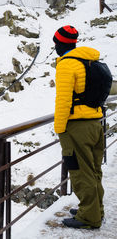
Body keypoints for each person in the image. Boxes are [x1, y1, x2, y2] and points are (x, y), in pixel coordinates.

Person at [53, 25, 104, 229]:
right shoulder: (89, 60)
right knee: (93, 170)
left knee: (80, 171)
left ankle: (89, 218)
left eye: (56, 43)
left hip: (77, 126)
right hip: (95, 122)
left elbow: (63, 100)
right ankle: (94, 209)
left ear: (61, 43)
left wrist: (59, 128)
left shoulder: (67, 65)